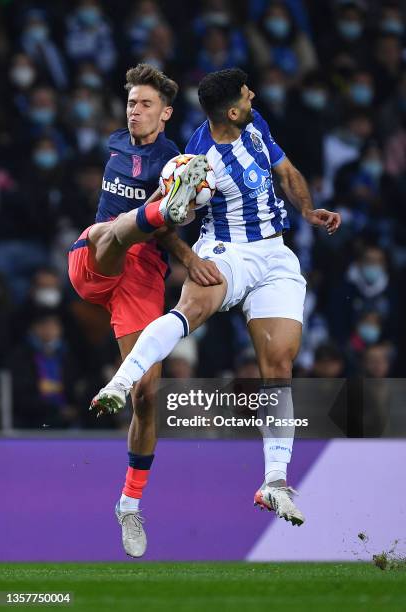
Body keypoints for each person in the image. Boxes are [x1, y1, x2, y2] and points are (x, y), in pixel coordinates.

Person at [92, 68, 341, 527]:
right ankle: (121, 382)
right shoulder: (198, 162)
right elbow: (166, 219)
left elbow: (286, 171)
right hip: (227, 252)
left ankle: (273, 482)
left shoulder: (255, 123)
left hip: (275, 254)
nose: (254, 97)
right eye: (247, 95)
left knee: (280, 364)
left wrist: (306, 209)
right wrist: (189, 258)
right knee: (189, 311)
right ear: (231, 109)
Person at [68, 63, 221, 558]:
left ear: (166, 113)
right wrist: (183, 244)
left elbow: (171, 235)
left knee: (146, 395)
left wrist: (187, 255)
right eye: (132, 103)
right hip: (94, 258)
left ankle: (129, 505)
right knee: (107, 231)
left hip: (142, 275)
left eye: (146, 104)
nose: (135, 111)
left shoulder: (173, 158)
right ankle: (160, 208)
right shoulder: (115, 143)